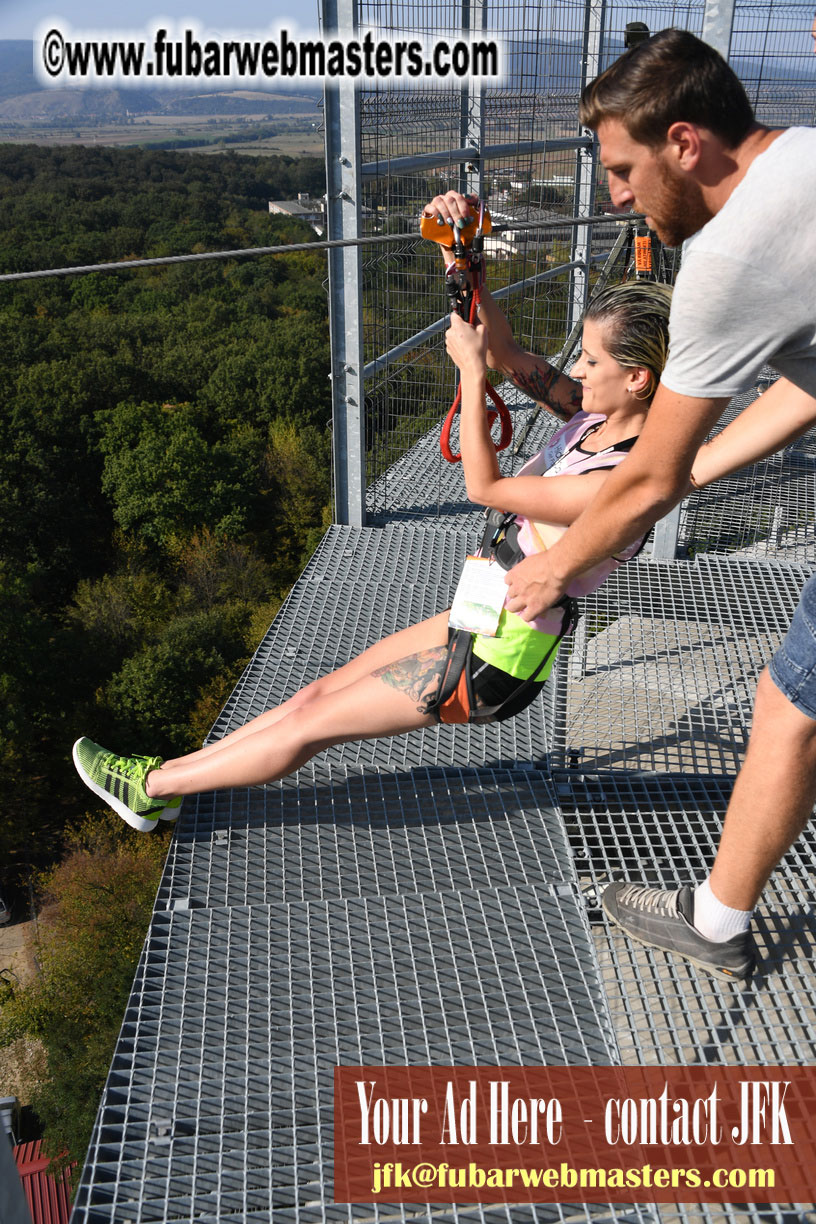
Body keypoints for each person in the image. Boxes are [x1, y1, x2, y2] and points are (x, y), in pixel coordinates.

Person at [429, 27, 816, 983]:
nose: (613, 196)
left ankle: (719, 923)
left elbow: (640, 483)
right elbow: (806, 384)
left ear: (685, 143)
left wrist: (548, 572)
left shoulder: (730, 260)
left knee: (794, 706)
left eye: (621, 168)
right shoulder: (803, 156)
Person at [73, 280, 672, 834]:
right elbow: (508, 352)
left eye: (592, 360)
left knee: (311, 727)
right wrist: (465, 264)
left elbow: (485, 487)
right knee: (311, 699)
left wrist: (467, 376)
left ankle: (152, 789)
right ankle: (172, 778)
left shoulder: (619, 481)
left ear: (638, 379)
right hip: (481, 616)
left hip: (496, 660)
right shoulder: (592, 417)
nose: (576, 369)